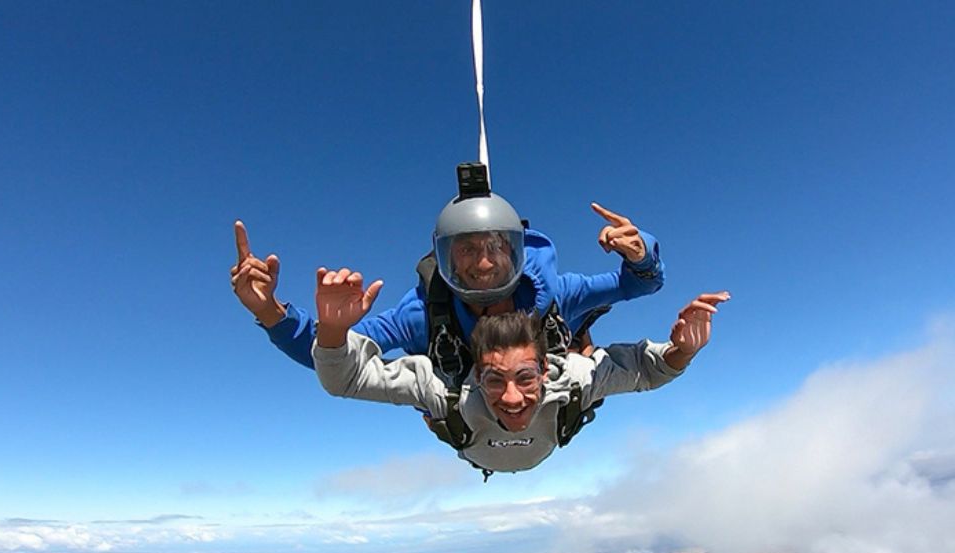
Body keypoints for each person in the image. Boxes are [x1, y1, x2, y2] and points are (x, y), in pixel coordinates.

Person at [312, 265, 730, 475]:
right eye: (493, 379)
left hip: (501, 439)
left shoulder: (571, 379)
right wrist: (332, 332)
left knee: (587, 358)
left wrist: (683, 350)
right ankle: (582, 331)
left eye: (526, 377)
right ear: (475, 373)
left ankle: (581, 329)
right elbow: (346, 378)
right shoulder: (444, 390)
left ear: (546, 369)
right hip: (487, 447)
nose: (511, 398)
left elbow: (646, 368)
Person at [231, 184, 665, 372]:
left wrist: (640, 249)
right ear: (444, 259)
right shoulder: (422, 315)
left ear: (516, 250)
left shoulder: (555, 294)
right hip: (470, 426)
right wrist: (270, 311)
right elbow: (327, 355)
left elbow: (639, 283)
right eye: (466, 250)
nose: (482, 263)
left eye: (496, 247)